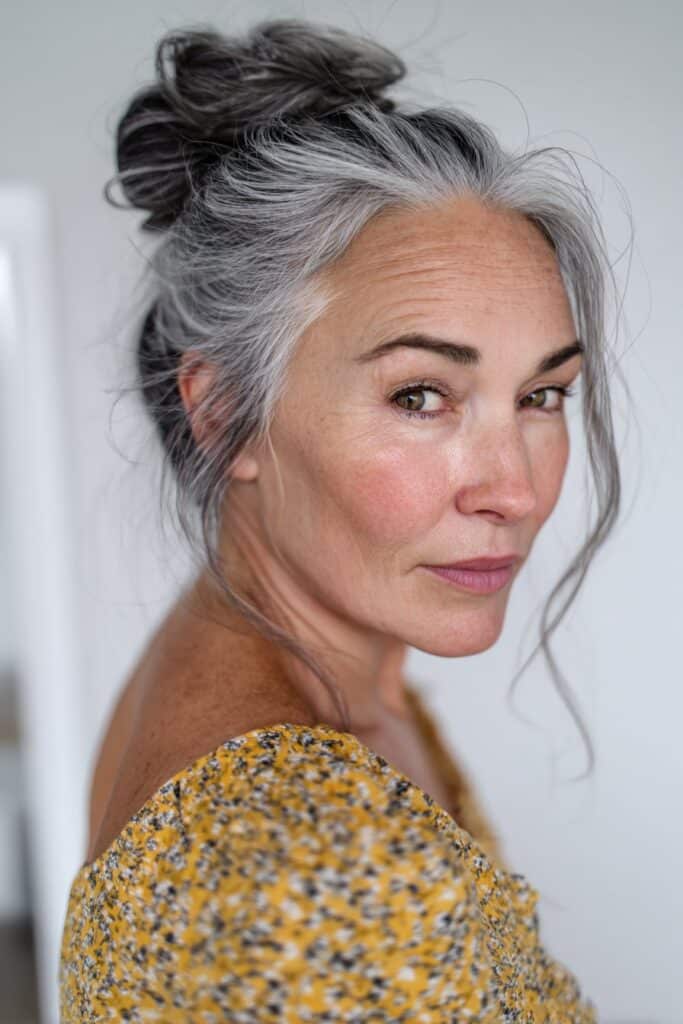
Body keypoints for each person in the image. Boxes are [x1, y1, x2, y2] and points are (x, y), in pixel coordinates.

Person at [59, 17, 622, 1021]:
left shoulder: (323, 670)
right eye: (420, 396)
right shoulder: (302, 865)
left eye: (540, 395)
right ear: (223, 414)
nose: (515, 490)